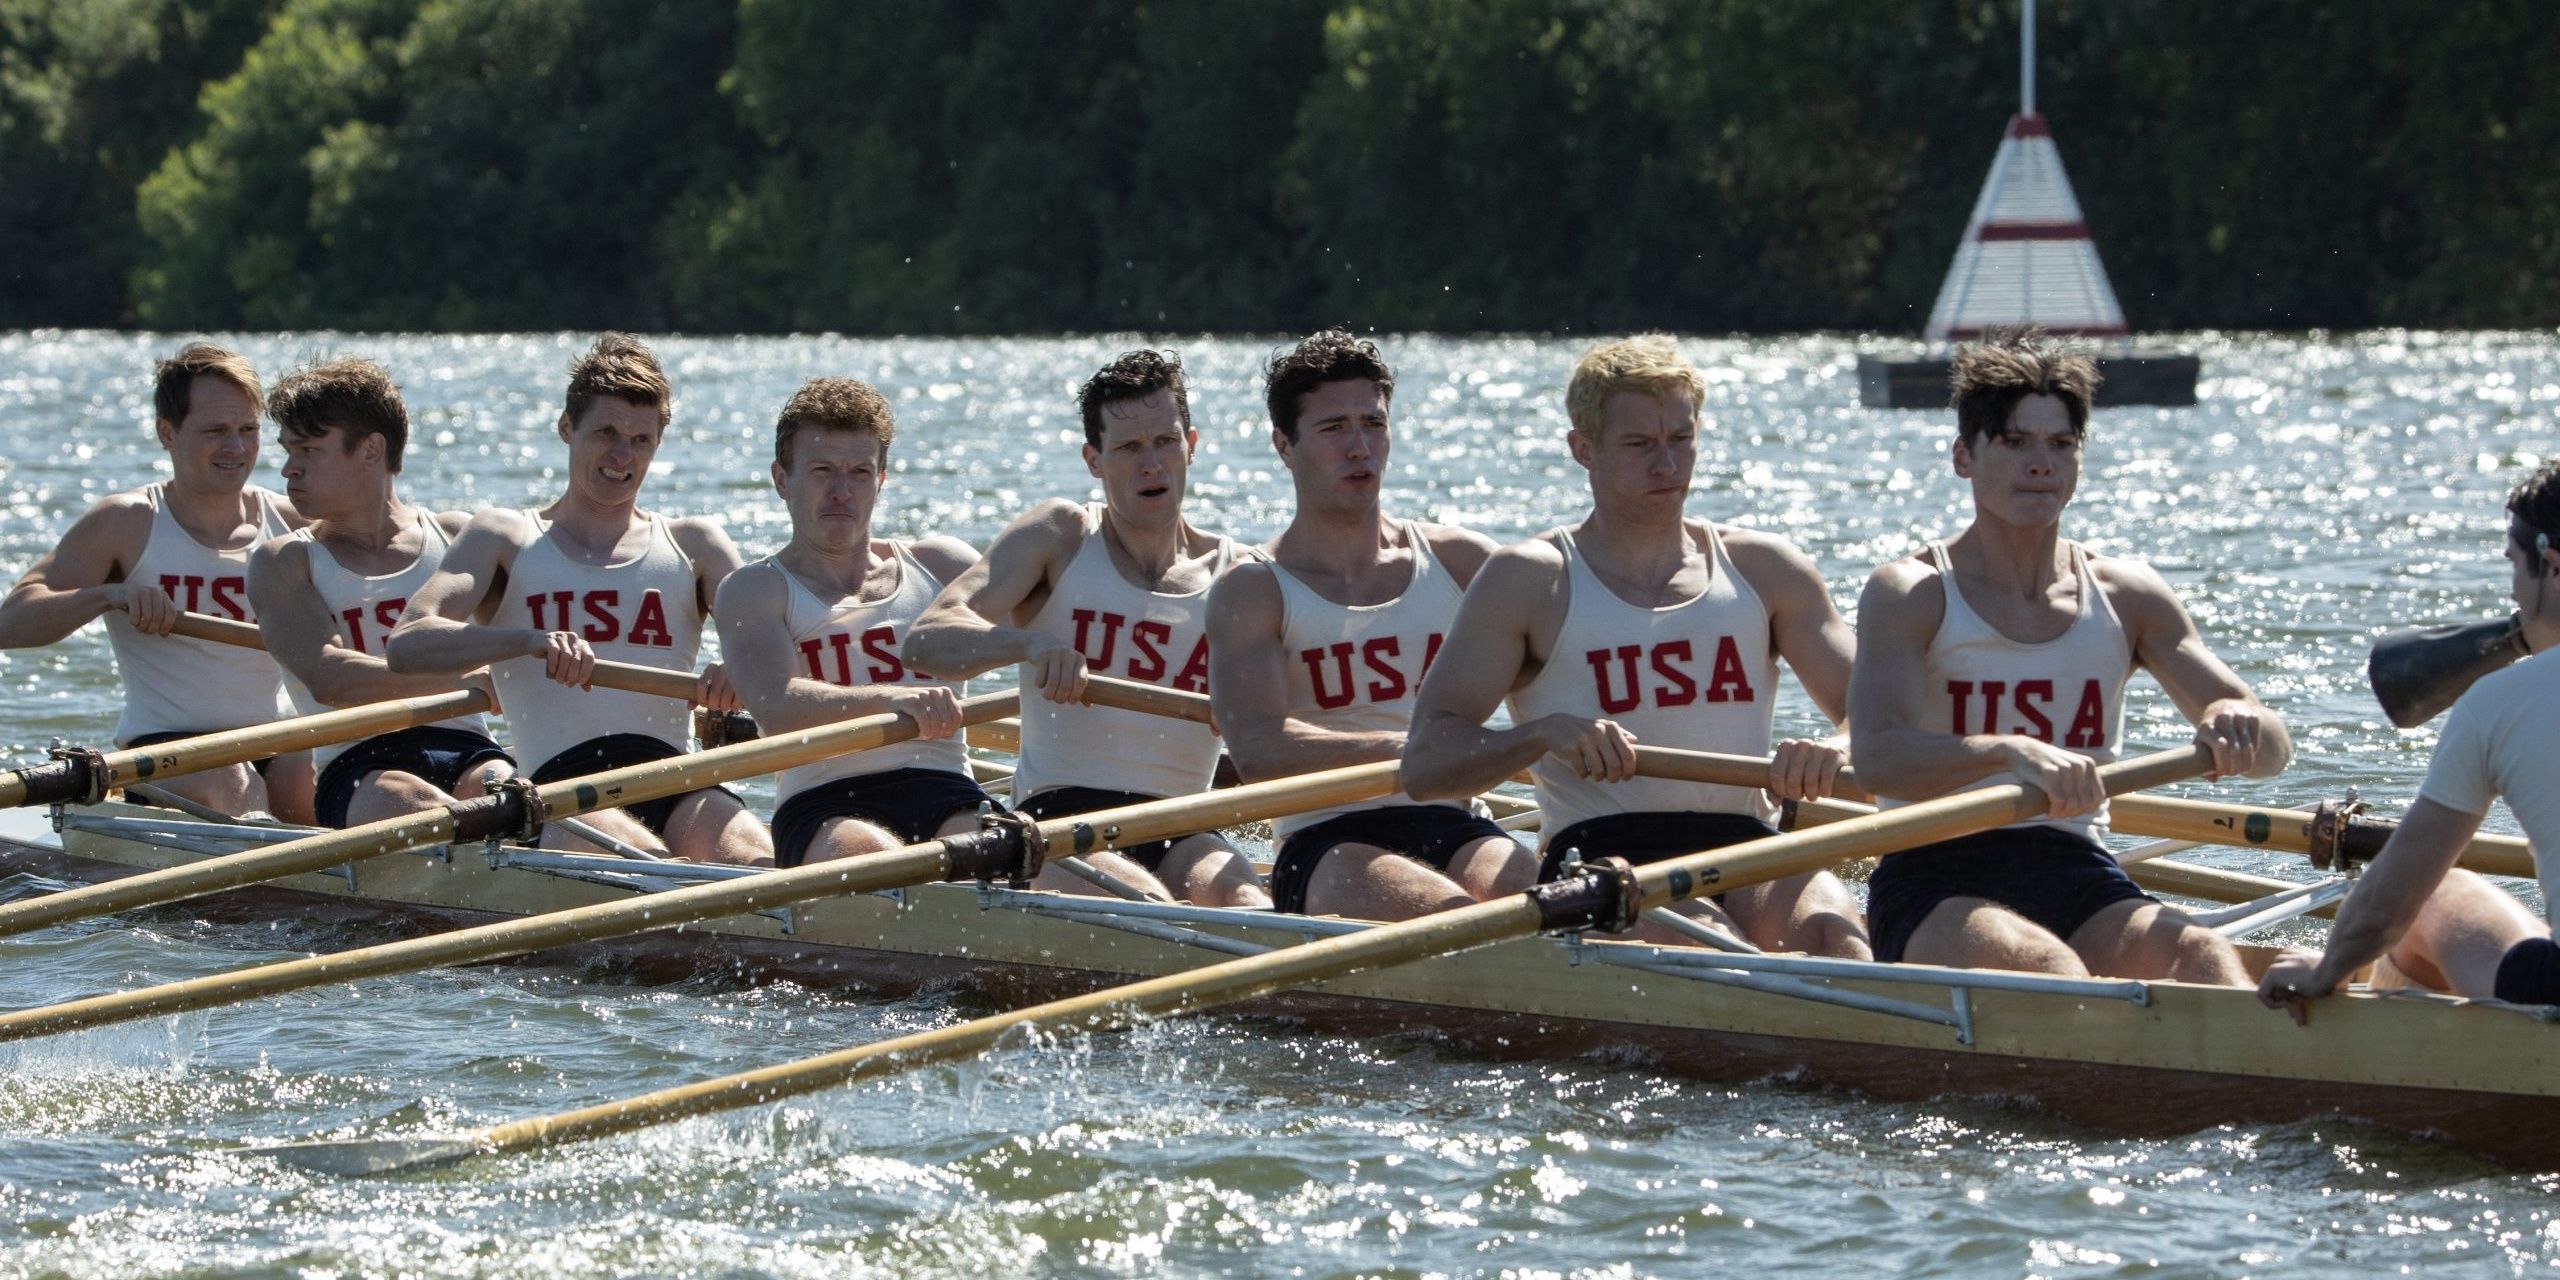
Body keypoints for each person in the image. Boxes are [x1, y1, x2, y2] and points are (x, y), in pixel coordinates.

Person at [1402, 336, 1869, 955]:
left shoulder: (1765, 568)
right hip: (1603, 860)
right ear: (1583, 450)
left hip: (1747, 844)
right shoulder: (1530, 579)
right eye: (1641, 445)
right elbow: (1427, 761)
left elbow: (1879, 714)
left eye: (1681, 440)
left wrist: (1833, 749)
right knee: (1716, 953)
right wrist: (1543, 735)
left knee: (1836, 942)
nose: (1668, 466)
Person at [1848, 328, 2289, 982]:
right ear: (1963, 457)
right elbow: (1878, 758)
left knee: (2202, 954)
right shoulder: (1910, 593)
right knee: (2049, 969)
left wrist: (2235, 720)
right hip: (1933, 873)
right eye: (2016, 442)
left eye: (2060, 445)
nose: (2041, 464)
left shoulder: (2127, 594)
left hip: (2075, 866)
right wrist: (2008, 751)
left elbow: (2275, 752)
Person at [387, 333, 769, 865]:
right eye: (607, 433)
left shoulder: (694, 543)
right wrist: (525, 642)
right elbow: (407, 645)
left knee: (757, 863)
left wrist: (743, 669)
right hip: (560, 788)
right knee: (647, 865)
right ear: (567, 428)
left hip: (677, 780)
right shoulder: (504, 537)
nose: (622, 456)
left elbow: (781, 650)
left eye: (641, 440)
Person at [906, 350, 1266, 906]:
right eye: (1128, 448)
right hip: (1060, 820)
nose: (1152, 464)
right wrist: (1028, 644)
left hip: (1185, 825)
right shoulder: (1061, 536)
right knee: (1152, 911)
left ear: (1191, 445)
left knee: (1253, 912)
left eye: (1165, 442)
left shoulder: (1240, 574)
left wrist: (1255, 714)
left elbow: (1291, 717)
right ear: (1094, 460)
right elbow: (928, 641)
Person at [1206, 329, 1535, 921]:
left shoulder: (1463, 562)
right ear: (1285, 445)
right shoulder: (1253, 587)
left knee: (1554, 908)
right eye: (1334, 429)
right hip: (1327, 838)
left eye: (1373, 425)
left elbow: (1572, 668)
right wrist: (1414, 749)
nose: (1360, 448)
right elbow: (1257, 749)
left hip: (1455, 822)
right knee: (1462, 917)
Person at [2258, 462, 2560, 1018]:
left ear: (2551, 565)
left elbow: (2390, 900)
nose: (2515, 598)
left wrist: (2326, 968)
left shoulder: (2497, 703)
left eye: (2515, 570)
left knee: (2438, 896)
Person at [0, 342, 316, 823]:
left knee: (319, 771)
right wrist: (110, 595)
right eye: (215, 430)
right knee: (234, 781)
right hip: (162, 752)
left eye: (248, 430)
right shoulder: (126, 522)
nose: (236, 448)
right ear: (167, 433)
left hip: (273, 743)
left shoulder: (294, 524)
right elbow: (12, 621)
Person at [711, 376, 992, 870]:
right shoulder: (753, 590)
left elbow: (1046, 630)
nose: (842, 491)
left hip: (947, 788)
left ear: (881, 480)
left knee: (991, 857)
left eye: (859, 472)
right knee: (880, 861)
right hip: (825, 803)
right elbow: (776, 707)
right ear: (782, 480)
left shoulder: (945, 567)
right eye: (822, 470)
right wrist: (892, 696)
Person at [246, 358, 513, 828]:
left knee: (512, 795)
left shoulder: (458, 537)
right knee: (438, 812)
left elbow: (545, 627)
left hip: (470, 749)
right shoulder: (284, 562)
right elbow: (331, 678)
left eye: (308, 450)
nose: (289, 469)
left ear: (371, 450)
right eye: (289, 451)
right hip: (359, 764)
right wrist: (464, 679)